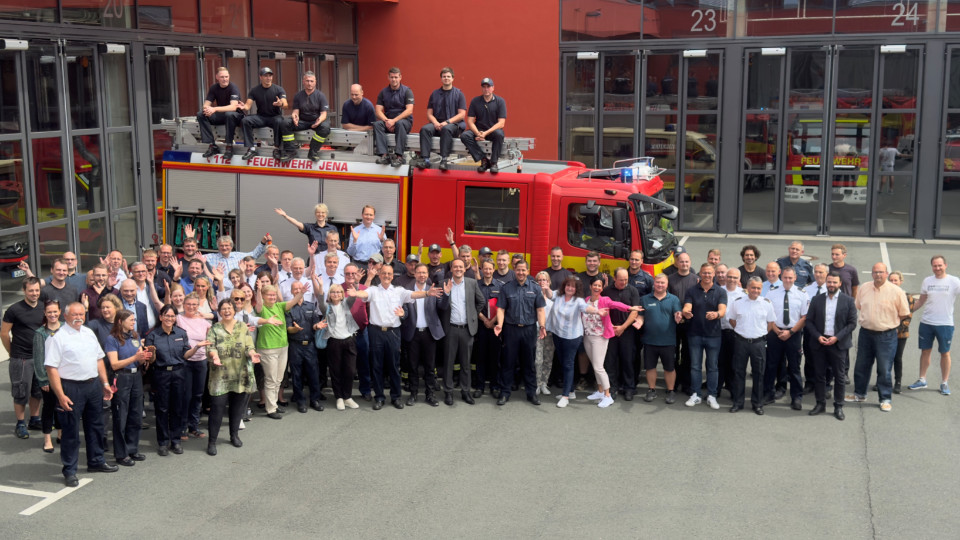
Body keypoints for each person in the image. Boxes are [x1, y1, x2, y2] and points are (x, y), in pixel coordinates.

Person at [44, 302, 117, 486]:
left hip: (92, 386)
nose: (79, 317)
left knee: (96, 426)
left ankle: (96, 461)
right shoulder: (57, 338)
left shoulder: (88, 333)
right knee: (70, 432)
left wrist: (105, 383)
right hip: (70, 388)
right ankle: (70, 470)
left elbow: (99, 359)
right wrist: (60, 395)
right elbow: (51, 369)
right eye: (74, 314)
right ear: (65, 316)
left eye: (81, 314)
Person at [348, 265, 441, 410]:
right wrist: (355, 291)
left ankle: (396, 397)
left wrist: (427, 293)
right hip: (376, 332)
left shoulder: (399, 291)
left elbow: (413, 295)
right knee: (377, 366)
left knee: (394, 366)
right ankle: (379, 397)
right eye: (384, 273)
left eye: (389, 274)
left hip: (393, 332)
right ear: (379, 274)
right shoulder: (373, 290)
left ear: (393, 276)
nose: (386, 275)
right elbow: (363, 294)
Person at [848, 263, 910, 412]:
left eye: (881, 272)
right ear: (871, 273)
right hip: (866, 334)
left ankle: (885, 398)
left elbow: (903, 313)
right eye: (875, 272)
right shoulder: (864, 288)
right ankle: (860, 394)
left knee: (884, 368)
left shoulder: (896, 291)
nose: (878, 275)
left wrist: (887, 324)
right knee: (862, 366)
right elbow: (859, 306)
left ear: (886, 273)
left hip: (886, 336)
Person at [205, 299, 260, 455]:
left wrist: (253, 354)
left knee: (237, 408)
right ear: (219, 311)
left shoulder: (242, 327)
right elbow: (211, 346)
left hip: (240, 374)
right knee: (216, 409)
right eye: (223, 309)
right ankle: (212, 441)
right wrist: (214, 357)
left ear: (234, 310)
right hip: (220, 376)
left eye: (229, 308)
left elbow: (249, 346)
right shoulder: (214, 328)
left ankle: (234, 435)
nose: (227, 311)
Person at [494, 260, 547, 406]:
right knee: (508, 362)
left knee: (529, 363)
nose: (521, 273)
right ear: (514, 270)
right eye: (518, 270)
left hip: (529, 330)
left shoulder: (535, 288)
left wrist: (542, 326)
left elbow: (540, 309)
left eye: (523, 270)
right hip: (511, 329)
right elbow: (501, 309)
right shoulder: (507, 288)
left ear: (528, 271)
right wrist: (499, 324)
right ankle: (504, 393)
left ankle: (531, 393)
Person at [581, 276, 640, 408]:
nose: (597, 288)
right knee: (595, 365)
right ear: (590, 286)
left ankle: (608, 395)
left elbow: (616, 305)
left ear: (602, 288)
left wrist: (630, 308)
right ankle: (600, 391)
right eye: (594, 285)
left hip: (600, 337)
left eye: (599, 286)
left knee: (598, 367)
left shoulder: (605, 300)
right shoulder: (586, 300)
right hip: (588, 336)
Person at [805, 273, 858, 421]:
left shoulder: (848, 301)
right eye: (829, 282)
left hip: (838, 344)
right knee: (819, 375)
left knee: (839, 377)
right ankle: (820, 404)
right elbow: (809, 321)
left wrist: (837, 337)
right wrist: (818, 336)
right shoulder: (817, 300)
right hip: (820, 342)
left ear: (840, 283)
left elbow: (852, 323)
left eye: (834, 282)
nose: (831, 285)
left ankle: (838, 406)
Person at [104, 310, 151, 466]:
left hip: (136, 376)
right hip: (121, 377)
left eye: (134, 319)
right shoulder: (112, 339)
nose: (133, 322)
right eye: (130, 320)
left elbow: (136, 361)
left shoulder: (135, 336)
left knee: (136, 414)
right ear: (120, 321)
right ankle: (121, 453)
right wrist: (134, 358)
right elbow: (114, 364)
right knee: (121, 416)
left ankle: (132, 449)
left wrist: (143, 358)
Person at [907, 255, 960, 395]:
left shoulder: (954, 281)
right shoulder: (927, 281)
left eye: (940, 265)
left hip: (945, 324)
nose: (937, 268)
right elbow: (921, 301)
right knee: (925, 352)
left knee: (945, 353)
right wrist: (907, 312)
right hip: (926, 322)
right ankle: (922, 379)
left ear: (945, 265)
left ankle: (944, 383)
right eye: (935, 266)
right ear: (932, 267)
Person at [726, 277, 777, 414]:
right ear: (747, 288)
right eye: (753, 287)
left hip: (758, 343)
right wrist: (742, 331)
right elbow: (731, 319)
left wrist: (761, 333)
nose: (756, 290)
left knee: (759, 374)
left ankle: (757, 404)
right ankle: (738, 402)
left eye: (758, 288)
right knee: (738, 372)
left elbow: (771, 322)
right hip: (741, 342)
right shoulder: (738, 302)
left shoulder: (766, 303)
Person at [439, 259, 485, 405]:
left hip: (466, 329)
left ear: (465, 269)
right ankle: (448, 392)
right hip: (450, 329)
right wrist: (446, 294)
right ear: (451, 269)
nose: (458, 269)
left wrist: (472, 315)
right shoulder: (444, 283)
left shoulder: (471, 283)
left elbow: (481, 301)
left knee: (466, 363)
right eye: (455, 267)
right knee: (448, 362)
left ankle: (466, 391)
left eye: (461, 266)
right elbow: (440, 306)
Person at [3, 276, 44, 439]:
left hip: (40, 357)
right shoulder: (14, 309)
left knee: (37, 391)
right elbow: (4, 333)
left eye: (37, 290)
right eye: (31, 290)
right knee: (21, 391)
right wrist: (11, 352)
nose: (34, 293)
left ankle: (34, 419)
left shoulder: (43, 307)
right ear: (24, 291)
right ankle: (20, 423)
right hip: (21, 358)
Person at [682, 263, 727, 410]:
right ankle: (695, 394)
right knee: (695, 366)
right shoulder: (692, 291)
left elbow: (722, 309)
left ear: (713, 274)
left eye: (709, 273)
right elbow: (687, 306)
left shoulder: (720, 291)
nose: (707, 275)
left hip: (714, 336)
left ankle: (712, 395)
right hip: (695, 334)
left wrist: (717, 314)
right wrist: (686, 312)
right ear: (700, 274)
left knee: (712, 367)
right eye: (704, 273)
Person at [254, 283, 303, 419]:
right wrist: (258, 290)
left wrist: (301, 292)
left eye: (274, 294)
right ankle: (270, 409)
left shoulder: (279, 306)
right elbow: (258, 305)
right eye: (269, 295)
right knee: (271, 379)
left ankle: (273, 404)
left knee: (279, 379)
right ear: (263, 296)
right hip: (268, 348)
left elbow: (292, 302)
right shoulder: (261, 308)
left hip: (283, 347)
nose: (272, 297)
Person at [763, 267, 808, 411]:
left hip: (793, 334)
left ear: (795, 278)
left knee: (794, 367)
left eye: (790, 278)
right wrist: (776, 330)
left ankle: (796, 397)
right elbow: (768, 315)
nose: (788, 280)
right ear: (781, 277)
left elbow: (804, 317)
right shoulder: (772, 293)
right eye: (785, 277)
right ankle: (768, 394)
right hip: (775, 332)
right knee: (771, 365)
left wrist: (791, 332)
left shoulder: (802, 294)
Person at [401, 264, 445, 407]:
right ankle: (413, 394)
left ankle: (430, 394)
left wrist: (447, 295)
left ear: (427, 275)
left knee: (429, 366)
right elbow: (405, 311)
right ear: (414, 274)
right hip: (412, 333)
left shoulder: (433, 289)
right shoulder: (407, 291)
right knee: (413, 366)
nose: (422, 275)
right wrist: (402, 315)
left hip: (429, 333)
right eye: (419, 272)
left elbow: (443, 307)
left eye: (424, 272)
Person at [545, 277, 591, 407]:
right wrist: (545, 287)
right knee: (562, 362)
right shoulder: (558, 295)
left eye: (573, 286)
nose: (570, 288)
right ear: (564, 286)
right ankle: (570, 391)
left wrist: (598, 311)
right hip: (557, 334)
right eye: (568, 285)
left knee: (568, 364)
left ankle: (565, 396)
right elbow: (549, 294)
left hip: (572, 337)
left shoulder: (579, 301)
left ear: (577, 289)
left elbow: (586, 308)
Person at [638, 274, 683, 404]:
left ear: (667, 284)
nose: (660, 285)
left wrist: (678, 316)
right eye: (657, 282)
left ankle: (670, 391)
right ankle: (651, 390)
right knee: (650, 367)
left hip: (668, 341)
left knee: (669, 368)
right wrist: (639, 322)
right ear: (654, 284)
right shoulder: (645, 299)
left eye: (662, 283)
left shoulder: (673, 299)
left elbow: (677, 313)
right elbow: (641, 316)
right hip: (649, 340)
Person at [315, 284, 360, 411]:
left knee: (350, 371)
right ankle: (339, 397)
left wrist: (356, 283)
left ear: (342, 294)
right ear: (330, 294)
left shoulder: (346, 304)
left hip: (349, 341)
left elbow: (353, 296)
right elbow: (320, 300)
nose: (336, 294)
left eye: (339, 292)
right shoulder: (327, 308)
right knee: (336, 371)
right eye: (333, 292)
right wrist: (319, 286)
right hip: (334, 342)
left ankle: (347, 397)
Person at [285, 280, 326, 412]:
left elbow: (314, 324)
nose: (297, 291)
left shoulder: (311, 306)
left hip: (310, 345)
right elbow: (288, 329)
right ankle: (300, 401)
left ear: (304, 289)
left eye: (299, 288)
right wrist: (295, 329)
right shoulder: (288, 308)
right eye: (295, 289)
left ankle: (315, 399)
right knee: (297, 374)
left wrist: (317, 326)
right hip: (295, 345)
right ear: (291, 292)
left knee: (313, 373)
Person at [177, 293, 213, 439]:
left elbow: (211, 339)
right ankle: (182, 427)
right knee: (186, 395)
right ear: (184, 305)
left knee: (198, 395)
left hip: (201, 361)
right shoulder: (179, 318)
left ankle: (194, 426)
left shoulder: (204, 322)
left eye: (194, 304)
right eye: (188, 304)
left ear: (198, 306)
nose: (191, 307)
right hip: (185, 361)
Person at [417, 67, 466, 171]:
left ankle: (444, 160)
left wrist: (446, 122)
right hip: (437, 124)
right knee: (425, 129)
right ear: (441, 78)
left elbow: (462, 115)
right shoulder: (434, 94)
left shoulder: (459, 94)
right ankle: (425, 159)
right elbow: (429, 114)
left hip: (453, 125)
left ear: (453, 78)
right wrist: (435, 123)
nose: (446, 78)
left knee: (446, 129)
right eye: (444, 76)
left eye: (448, 76)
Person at [603, 268, 641, 400]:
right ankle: (612, 387)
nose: (624, 282)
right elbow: (604, 309)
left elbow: (635, 311)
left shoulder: (633, 291)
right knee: (610, 361)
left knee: (628, 360)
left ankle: (629, 387)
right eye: (621, 280)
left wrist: (623, 327)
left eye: (626, 280)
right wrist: (612, 327)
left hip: (627, 331)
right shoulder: (607, 291)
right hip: (611, 330)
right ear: (614, 278)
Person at [32, 300, 63, 453]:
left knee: (62, 407)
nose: (52, 314)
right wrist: (43, 379)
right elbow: (38, 359)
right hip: (48, 378)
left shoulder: (66, 328)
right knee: (49, 407)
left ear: (60, 312)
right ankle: (47, 439)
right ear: (45, 313)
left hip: (65, 376)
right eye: (49, 312)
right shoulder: (40, 333)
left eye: (55, 311)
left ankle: (61, 433)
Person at [240, 67, 288, 162]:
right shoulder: (254, 90)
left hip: (274, 117)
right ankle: (251, 149)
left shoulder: (278, 89)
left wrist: (281, 104)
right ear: (260, 77)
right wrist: (243, 107)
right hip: (261, 117)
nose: (268, 78)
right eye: (266, 76)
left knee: (280, 120)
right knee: (245, 120)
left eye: (270, 76)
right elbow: (247, 106)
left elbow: (285, 105)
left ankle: (277, 148)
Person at [461, 77, 507, 174]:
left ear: (493, 88)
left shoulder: (500, 101)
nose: (486, 89)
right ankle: (484, 160)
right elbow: (470, 121)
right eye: (484, 87)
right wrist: (478, 133)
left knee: (499, 134)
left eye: (488, 87)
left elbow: (501, 123)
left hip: (491, 131)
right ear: (481, 88)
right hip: (479, 130)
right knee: (465, 136)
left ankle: (494, 163)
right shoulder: (475, 101)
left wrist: (485, 134)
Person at [283, 71, 331, 161]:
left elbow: (324, 114)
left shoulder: (321, 96)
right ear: (303, 82)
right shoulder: (298, 95)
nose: (309, 83)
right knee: (285, 123)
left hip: (316, 121)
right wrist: (294, 116)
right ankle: (290, 151)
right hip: (302, 121)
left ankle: (313, 152)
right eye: (307, 81)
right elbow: (295, 111)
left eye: (311, 81)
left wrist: (319, 121)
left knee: (325, 127)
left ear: (315, 82)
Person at [668, 251, 698, 394]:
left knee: (687, 353)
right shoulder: (670, 279)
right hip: (673, 323)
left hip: (690, 323)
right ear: (676, 263)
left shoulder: (696, 279)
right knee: (673, 353)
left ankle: (686, 383)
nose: (684, 264)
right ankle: (673, 382)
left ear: (690, 263)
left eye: (686, 262)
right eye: (681, 261)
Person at [198, 66, 243, 160]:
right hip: (222, 115)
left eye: (226, 77)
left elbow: (233, 107)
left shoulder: (233, 88)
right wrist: (208, 110)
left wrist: (214, 109)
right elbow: (206, 104)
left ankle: (229, 147)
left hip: (235, 116)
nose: (224, 79)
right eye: (222, 77)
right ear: (217, 77)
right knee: (201, 114)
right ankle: (212, 145)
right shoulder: (214, 88)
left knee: (229, 114)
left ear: (229, 76)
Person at [373, 67, 415, 167]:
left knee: (400, 124)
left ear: (400, 77)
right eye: (392, 77)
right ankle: (384, 155)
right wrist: (387, 121)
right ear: (388, 77)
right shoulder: (383, 92)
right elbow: (378, 111)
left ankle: (399, 156)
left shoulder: (407, 91)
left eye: (396, 77)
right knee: (377, 124)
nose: (394, 79)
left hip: (404, 122)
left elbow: (409, 110)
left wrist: (394, 121)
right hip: (389, 121)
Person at [473, 259, 503, 398]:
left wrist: (492, 321)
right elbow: (473, 306)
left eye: (490, 269)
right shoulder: (475, 285)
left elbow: (502, 307)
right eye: (485, 269)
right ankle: (479, 386)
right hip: (481, 326)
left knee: (495, 358)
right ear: (481, 269)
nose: (488, 271)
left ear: (493, 269)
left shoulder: (500, 286)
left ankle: (494, 386)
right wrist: (485, 320)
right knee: (480, 357)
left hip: (495, 327)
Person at [717, 267, 744, 398]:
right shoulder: (718, 291)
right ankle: (716, 390)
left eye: (735, 277)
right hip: (719, 332)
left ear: (739, 279)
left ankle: (734, 391)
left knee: (734, 363)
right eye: (730, 277)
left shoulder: (743, 294)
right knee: (719, 362)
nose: (732, 280)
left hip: (735, 334)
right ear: (725, 277)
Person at [888, 270, 915, 394]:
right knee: (884, 358)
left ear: (901, 281)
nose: (893, 282)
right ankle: (882, 381)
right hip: (885, 332)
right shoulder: (885, 294)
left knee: (897, 358)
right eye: (891, 280)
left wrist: (894, 329)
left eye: (895, 280)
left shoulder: (907, 296)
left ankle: (898, 382)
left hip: (900, 333)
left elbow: (907, 317)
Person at [533, 271, 556, 396]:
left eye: (544, 280)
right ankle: (537, 383)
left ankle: (544, 383)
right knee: (538, 360)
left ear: (549, 282)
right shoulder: (534, 296)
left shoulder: (553, 298)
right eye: (539, 280)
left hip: (550, 333)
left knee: (548, 359)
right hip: (537, 332)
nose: (542, 282)